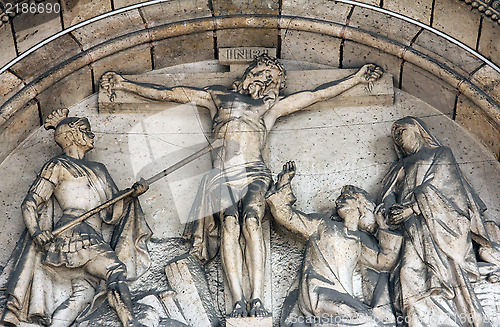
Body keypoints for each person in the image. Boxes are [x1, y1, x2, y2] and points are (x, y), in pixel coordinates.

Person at [101, 54, 383, 317]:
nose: (264, 79)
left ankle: (257, 297)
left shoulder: (268, 108)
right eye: (259, 72)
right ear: (247, 75)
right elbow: (170, 92)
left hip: (254, 172)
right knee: (229, 225)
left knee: (250, 222)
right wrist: (125, 84)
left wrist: (356, 79)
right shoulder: (217, 96)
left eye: (270, 78)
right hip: (221, 175)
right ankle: (237, 299)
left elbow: (313, 95)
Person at [0, 109, 152, 327]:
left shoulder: (99, 168)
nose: (92, 135)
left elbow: (111, 207)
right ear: (72, 136)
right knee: (115, 270)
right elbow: (31, 202)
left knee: (82, 296)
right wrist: (36, 232)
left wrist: (132, 194)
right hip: (73, 232)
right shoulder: (57, 166)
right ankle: (131, 323)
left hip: (94, 236)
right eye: (86, 131)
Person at [378, 116, 500, 327]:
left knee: (442, 276)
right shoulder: (398, 167)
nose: (397, 138)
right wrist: (392, 211)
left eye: (401, 131)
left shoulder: (440, 154)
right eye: (394, 135)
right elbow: (388, 195)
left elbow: (449, 191)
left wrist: (413, 208)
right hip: (411, 232)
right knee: (407, 276)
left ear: (417, 130)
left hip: (438, 230)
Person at [266, 161, 403, 326]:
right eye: (340, 197)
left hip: (342, 298)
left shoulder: (360, 240)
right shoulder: (322, 224)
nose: (340, 200)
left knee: (367, 319)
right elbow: (288, 217)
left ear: (361, 205)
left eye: (348, 197)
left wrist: (384, 227)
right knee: (365, 321)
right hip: (319, 293)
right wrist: (284, 183)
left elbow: (384, 262)